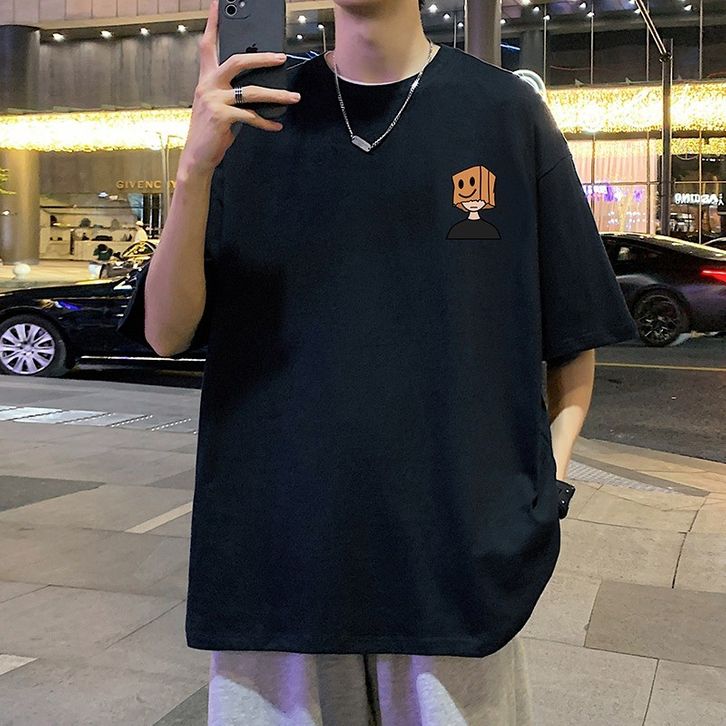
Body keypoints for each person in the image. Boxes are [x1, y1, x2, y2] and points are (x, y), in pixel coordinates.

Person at [117, 0, 638, 723]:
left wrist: (545, 490)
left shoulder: (503, 113)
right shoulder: (252, 118)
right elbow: (167, 331)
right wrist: (194, 167)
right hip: (277, 557)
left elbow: (571, 331)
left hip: (454, 561)